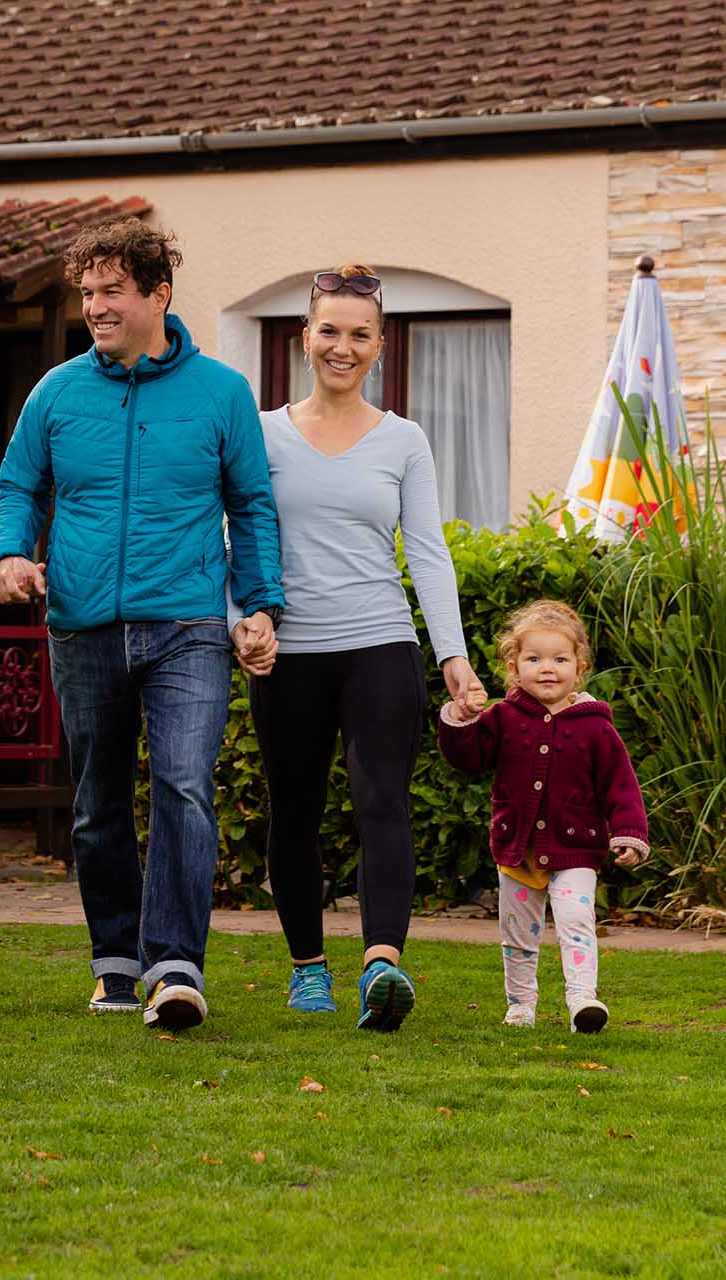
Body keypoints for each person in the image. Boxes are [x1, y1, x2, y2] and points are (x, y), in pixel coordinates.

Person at [0, 219, 285, 1031]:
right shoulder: (55, 392)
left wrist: (260, 606)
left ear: (159, 294)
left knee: (185, 786)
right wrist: (8, 555)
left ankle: (176, 966)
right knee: (97, 804)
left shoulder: (221, 393)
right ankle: (117, 961)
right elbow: (19, 490)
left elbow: (251, 507)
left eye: (112, 291)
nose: (95, 307)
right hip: (81, 626)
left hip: (186, 623)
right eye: (87, 293)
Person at [237, 264, 487, 1032]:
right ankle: (308, 969)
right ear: (304, 338)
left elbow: (429, 552)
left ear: (380, 345)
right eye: (329, 332)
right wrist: (241, 619)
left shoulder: (405, 440)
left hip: (380, 641)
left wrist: (453, 654)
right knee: (296, 809)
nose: (342, 348)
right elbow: (236, 536)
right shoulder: (261, 433)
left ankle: (383, 965)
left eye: (359, 335)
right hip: (289, 653)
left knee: (383, 802)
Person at [437, 600, 649, 1033]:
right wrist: (461, 718)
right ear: (515, 669)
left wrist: (628, 831)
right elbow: (469, 757)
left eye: (559, 659)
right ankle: (520, 1005)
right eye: (534, 659)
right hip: (517, 849)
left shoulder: (596, 728)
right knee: (518, 934)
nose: (547, 668)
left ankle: (582, 1001)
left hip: (576, 849)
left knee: (575, 922)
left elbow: (620, 785)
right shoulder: (502, 717)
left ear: (579, 667)